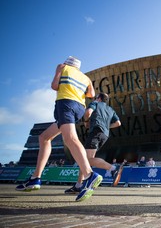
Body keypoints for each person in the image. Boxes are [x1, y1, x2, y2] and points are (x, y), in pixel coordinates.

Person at [16, 56, 103, 202]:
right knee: (44, 137)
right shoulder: (85, 77)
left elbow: (55, 86)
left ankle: (89, 175)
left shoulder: (63, 67)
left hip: (66, 104)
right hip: (79, 108)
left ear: (67, 63)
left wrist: (58, 72)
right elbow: (91, 95)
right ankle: (35, 178)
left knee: (70, 138)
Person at [64, 92, 121, 194]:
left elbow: (88, 113)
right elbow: (118, 123)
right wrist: (107, 127)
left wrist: (86, 121)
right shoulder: (110, 109)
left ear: (98, 98)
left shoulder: (95, 103)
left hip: (95, 132)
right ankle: (78, 185)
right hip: (105, 135)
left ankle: (112, 168)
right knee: (85, 159)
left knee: (85, 159)